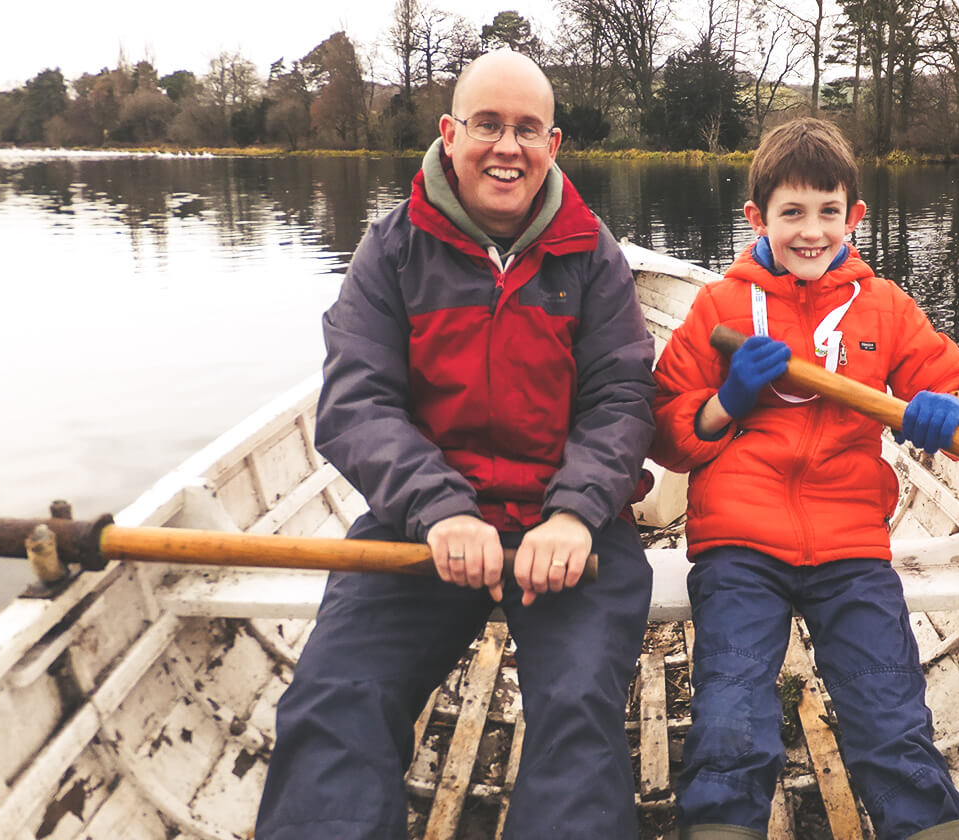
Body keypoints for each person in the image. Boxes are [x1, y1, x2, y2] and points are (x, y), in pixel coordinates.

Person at [255, 50, 657, 840]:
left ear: (553, 144)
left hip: (566, 528)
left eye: (527, 129)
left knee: (578, 706)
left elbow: (621, 399)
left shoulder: (591, 253)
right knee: (338, 696)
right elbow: (357, 403)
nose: (508, 147)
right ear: (449, 133)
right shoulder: (392, 250)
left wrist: (575, 514)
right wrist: (439, 509)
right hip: (421, 522)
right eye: (487, 125)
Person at [650, 117, 959, 840]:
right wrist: (728, 400)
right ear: (757, 218)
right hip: (739, 544)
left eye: (828, 212)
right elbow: (666, 436)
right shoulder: (720, 308)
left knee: (890, 717)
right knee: (730, 717)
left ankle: (930, 826)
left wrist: (956, 407)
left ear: (854, 216)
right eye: (792, 213)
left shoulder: (886, 307)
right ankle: (720, 825)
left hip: (850, 546)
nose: (811, 232)